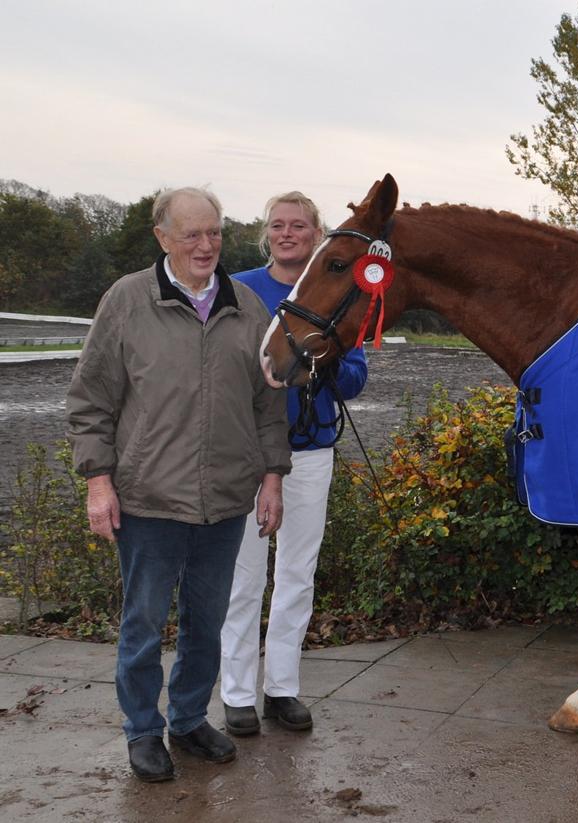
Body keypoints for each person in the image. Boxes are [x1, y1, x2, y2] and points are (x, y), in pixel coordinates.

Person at [67, 187, 291, 783]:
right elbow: (91, 400)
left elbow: (270, 405)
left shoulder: (247, 306)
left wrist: (271, 478)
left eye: (214, 232)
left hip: (226, 500)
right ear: (162, 238)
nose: (205, 245)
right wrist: (98, 483)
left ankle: (189, 719)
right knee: (142, 624)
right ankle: (143, 730)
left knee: (207, 621)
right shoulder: (126, 301)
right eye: (190, 234)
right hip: (148, 500)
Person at [219, 191, 368, 736]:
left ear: (316, 234)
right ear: (267, 233)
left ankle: (281, 687)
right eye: (278, 225)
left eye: (299, 226)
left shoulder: (336, 290)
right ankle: (236, 693)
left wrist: (324, 364)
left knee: (296, 576)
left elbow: (355, 376)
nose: (288, 234)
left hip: (310, 452)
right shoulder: (237, 290)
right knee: (242, 578)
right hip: (246, 457)